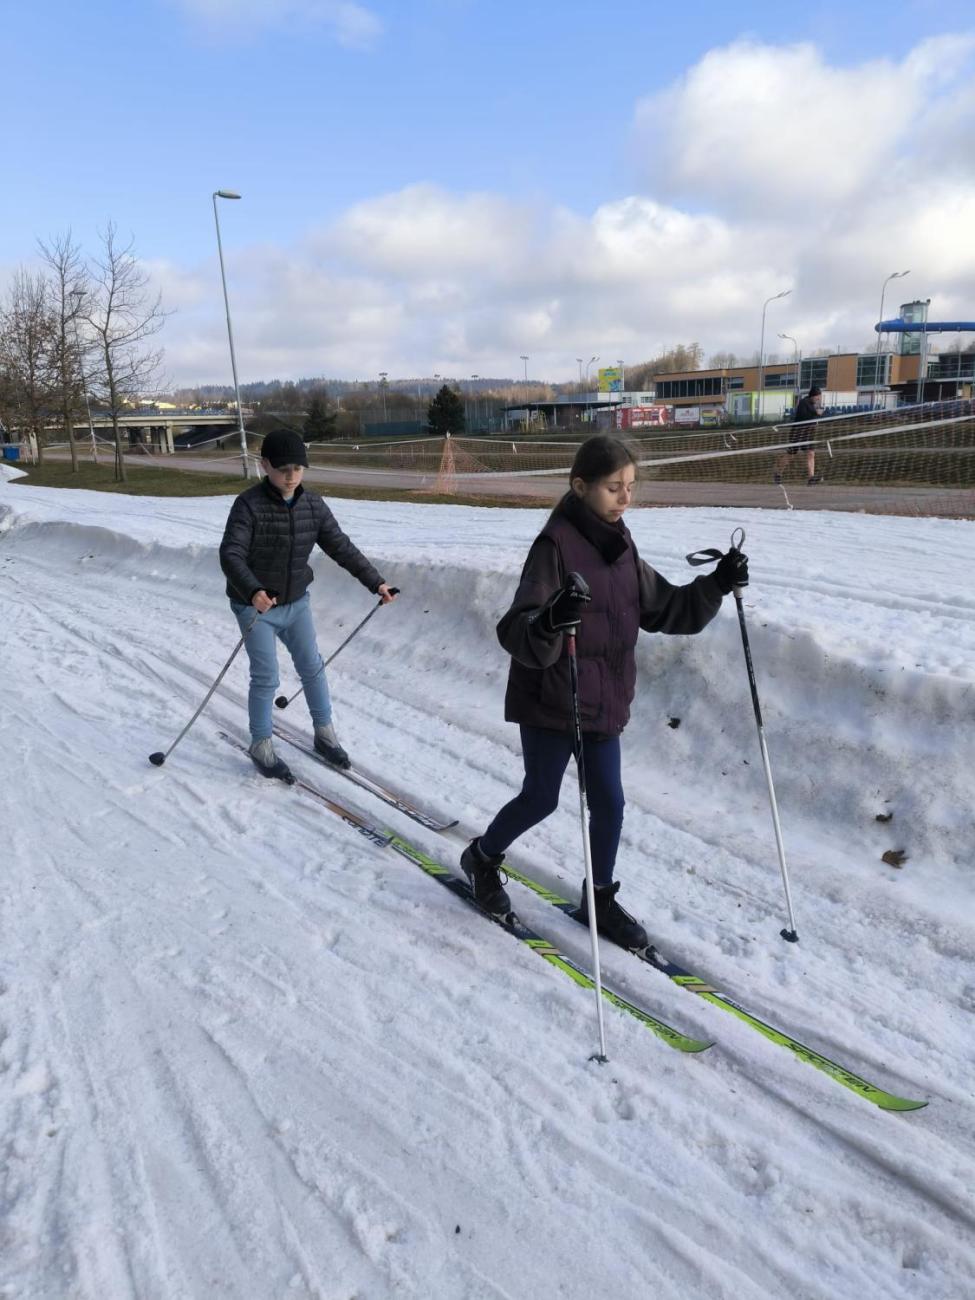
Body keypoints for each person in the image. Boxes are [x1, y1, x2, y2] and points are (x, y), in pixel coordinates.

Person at [461, 435, 747, 948]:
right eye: (614, 487)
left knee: (610, 804)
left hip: (604, 700)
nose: (625, 497)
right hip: (553, 699)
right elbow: (516, 629)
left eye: (630, 486)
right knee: (541, 798)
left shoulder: (622, 546)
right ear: (580, 486)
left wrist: (718, 583)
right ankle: (481, 857)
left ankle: (599, 898)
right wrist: (551, 618)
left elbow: (665, 608)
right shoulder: (553, 546)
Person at [219, 429, 396, 781]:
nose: (291, 476)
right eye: (283, 469)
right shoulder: (248, 505)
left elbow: (341, 547)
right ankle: (260, 743)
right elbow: (231, 553)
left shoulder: (312, 505)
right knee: (267, 676)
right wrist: (253, 591)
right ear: (265, 465)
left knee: (313, 666)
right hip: (256, 607)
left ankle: (325, 734)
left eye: (298, 469)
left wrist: (376, 582)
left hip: (296, 602)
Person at [774, 385, 822, 485]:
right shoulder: (804, 402)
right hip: (797, 433)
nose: (818, 399)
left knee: (811, 454)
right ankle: (778, 474)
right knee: (790, 455)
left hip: (808, 434)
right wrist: (816, 412)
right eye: (817, 397)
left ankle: (811, 478)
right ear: (813, 395)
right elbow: (806, 415)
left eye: (819, 397)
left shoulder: (812, 404)